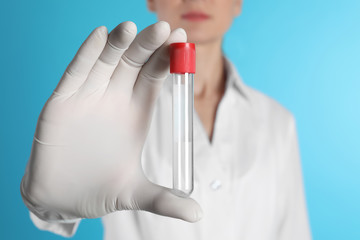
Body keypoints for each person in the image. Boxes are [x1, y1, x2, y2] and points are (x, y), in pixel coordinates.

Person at [20, 0, 312, 239]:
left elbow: (293, 233)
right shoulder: (109, 110)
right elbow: (53, 217)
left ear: (238, 2)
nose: (196, 0)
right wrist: (50, 202)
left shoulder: (277, 122)